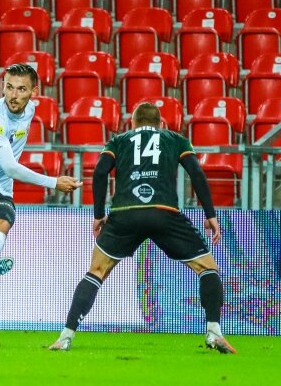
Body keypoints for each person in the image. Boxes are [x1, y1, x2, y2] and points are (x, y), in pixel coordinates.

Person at [49, 102, 237, 354]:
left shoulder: (119, 140)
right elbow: (196, 172)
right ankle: (214, 332)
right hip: (164, 212)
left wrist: (99, 215)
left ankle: (65, 336)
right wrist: (210, 214)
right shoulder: (176, 139)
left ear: (132, 123)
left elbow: (100, 172)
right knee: (208, 268)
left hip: (125, 213)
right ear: (161, 124)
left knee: (96, 271)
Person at [0, 63, 82, 346]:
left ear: (34, 91)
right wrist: (53, 182)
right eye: (9, 87)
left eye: (21, 89)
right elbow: (10, 166)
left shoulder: (30, 111)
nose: (13, 95)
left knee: (2, 222)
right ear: (3, 86)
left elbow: (7, 170)